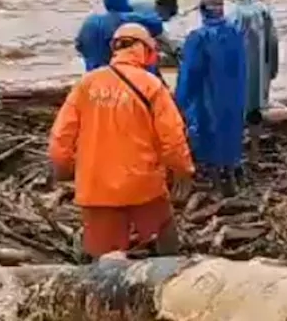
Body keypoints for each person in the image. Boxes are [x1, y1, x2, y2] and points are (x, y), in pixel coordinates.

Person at [48, 23, 194, 259]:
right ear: (144, 50)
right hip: (143, 185)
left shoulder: (87, 84)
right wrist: (182, 170)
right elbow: (173, 136)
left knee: (103, 262)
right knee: (167, 249)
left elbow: (60, 137)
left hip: (97, 188)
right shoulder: (151, 85)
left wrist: (64, 167)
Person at [176, 0, 248, 195]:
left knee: (210, 134)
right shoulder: (235, 32)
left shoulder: (199, 37)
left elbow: (190, 73)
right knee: (231, 132)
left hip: (209, 95)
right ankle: (232, 174)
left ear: (202, 10)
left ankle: (217, 183)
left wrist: (180, 101)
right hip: (234, 94)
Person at [228, 0, 279, 159]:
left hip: (238, 72)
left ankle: (236, 150)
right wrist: (273, 68)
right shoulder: (264, 12)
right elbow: (273, 41)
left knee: (237, 107)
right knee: (255, 109)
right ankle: (255, 150)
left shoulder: (233, 16)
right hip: (259, 71)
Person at [74, 0, 132, 72]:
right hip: (115, 74)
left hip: (91, 74)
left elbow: (78, 45)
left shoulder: (90, 20)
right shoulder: (125, 20)